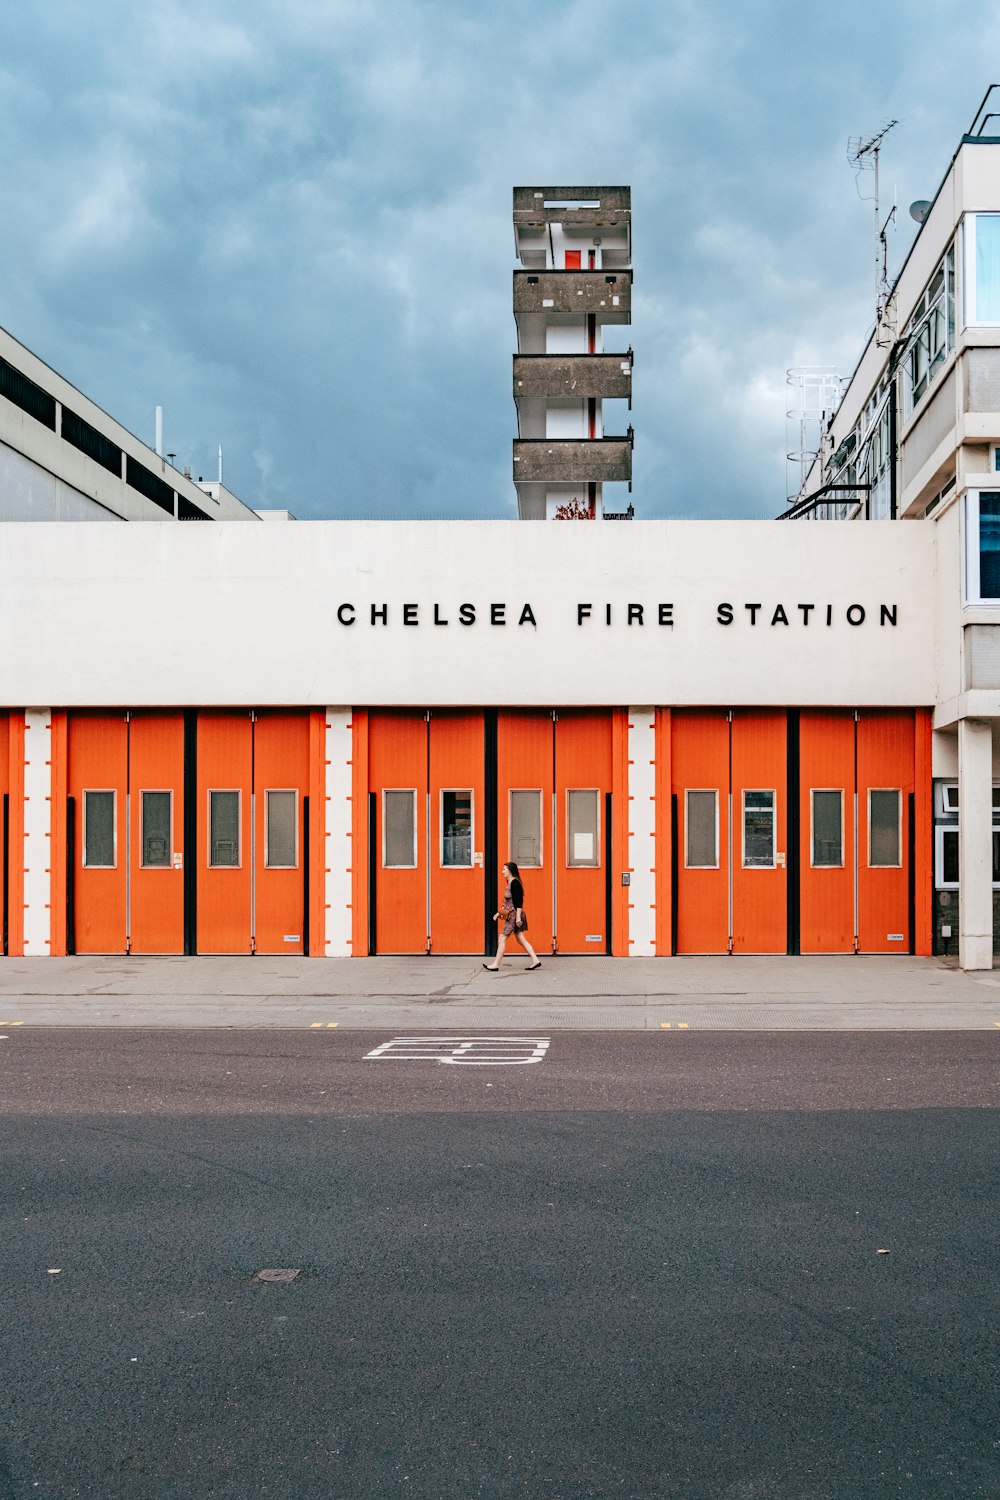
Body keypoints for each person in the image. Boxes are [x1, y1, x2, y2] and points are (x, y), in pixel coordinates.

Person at [484, 860, 541, 971]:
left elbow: (519, 902)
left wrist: (518, 917)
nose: (502, 871)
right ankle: (535, 960)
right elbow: (507, 903)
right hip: (512, 914)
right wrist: (498, 913)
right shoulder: (510, 883)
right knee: (520, 939)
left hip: (514, 915)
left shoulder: (515, 883)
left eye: (504, 869)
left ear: (510, 871)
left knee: (502, 938)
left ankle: (495, 964)